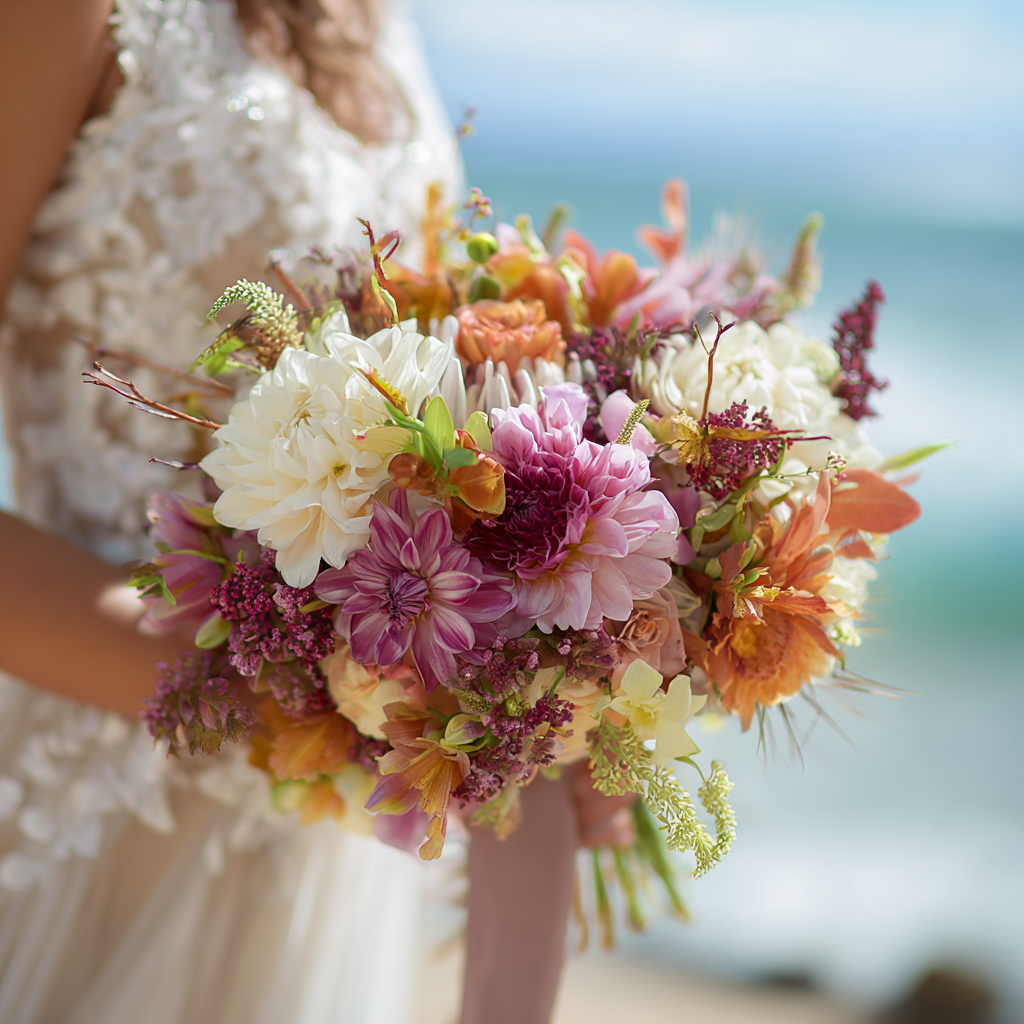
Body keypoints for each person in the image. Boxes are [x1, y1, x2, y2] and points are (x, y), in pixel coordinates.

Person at [0, 2, 634, 1020]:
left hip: (332, 849)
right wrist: (330, 706)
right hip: (102, 816)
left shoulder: (386, 23)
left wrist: (542, 697)